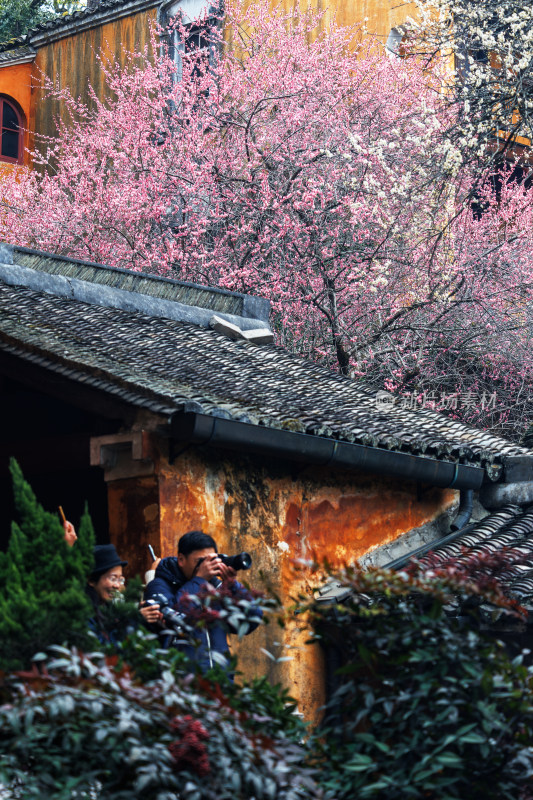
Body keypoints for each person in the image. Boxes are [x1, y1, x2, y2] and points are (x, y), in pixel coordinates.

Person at [144, 531, 262, 673]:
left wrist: (233, 586)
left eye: (210, 560)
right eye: (200, 561)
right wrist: (199, 580)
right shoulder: (159, 586)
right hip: (181, 685)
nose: (207, 566)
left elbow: (250, 621)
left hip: (218, 683)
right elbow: (174, 621)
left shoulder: (214, 587)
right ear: (181, 559)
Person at [86, 543, 162, 643]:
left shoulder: (109, 607)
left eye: (120, 579)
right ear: (91, 580)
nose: (117, 586)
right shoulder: (82, 611)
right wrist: (135, 620)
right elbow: (104, 647)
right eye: (113, 578)